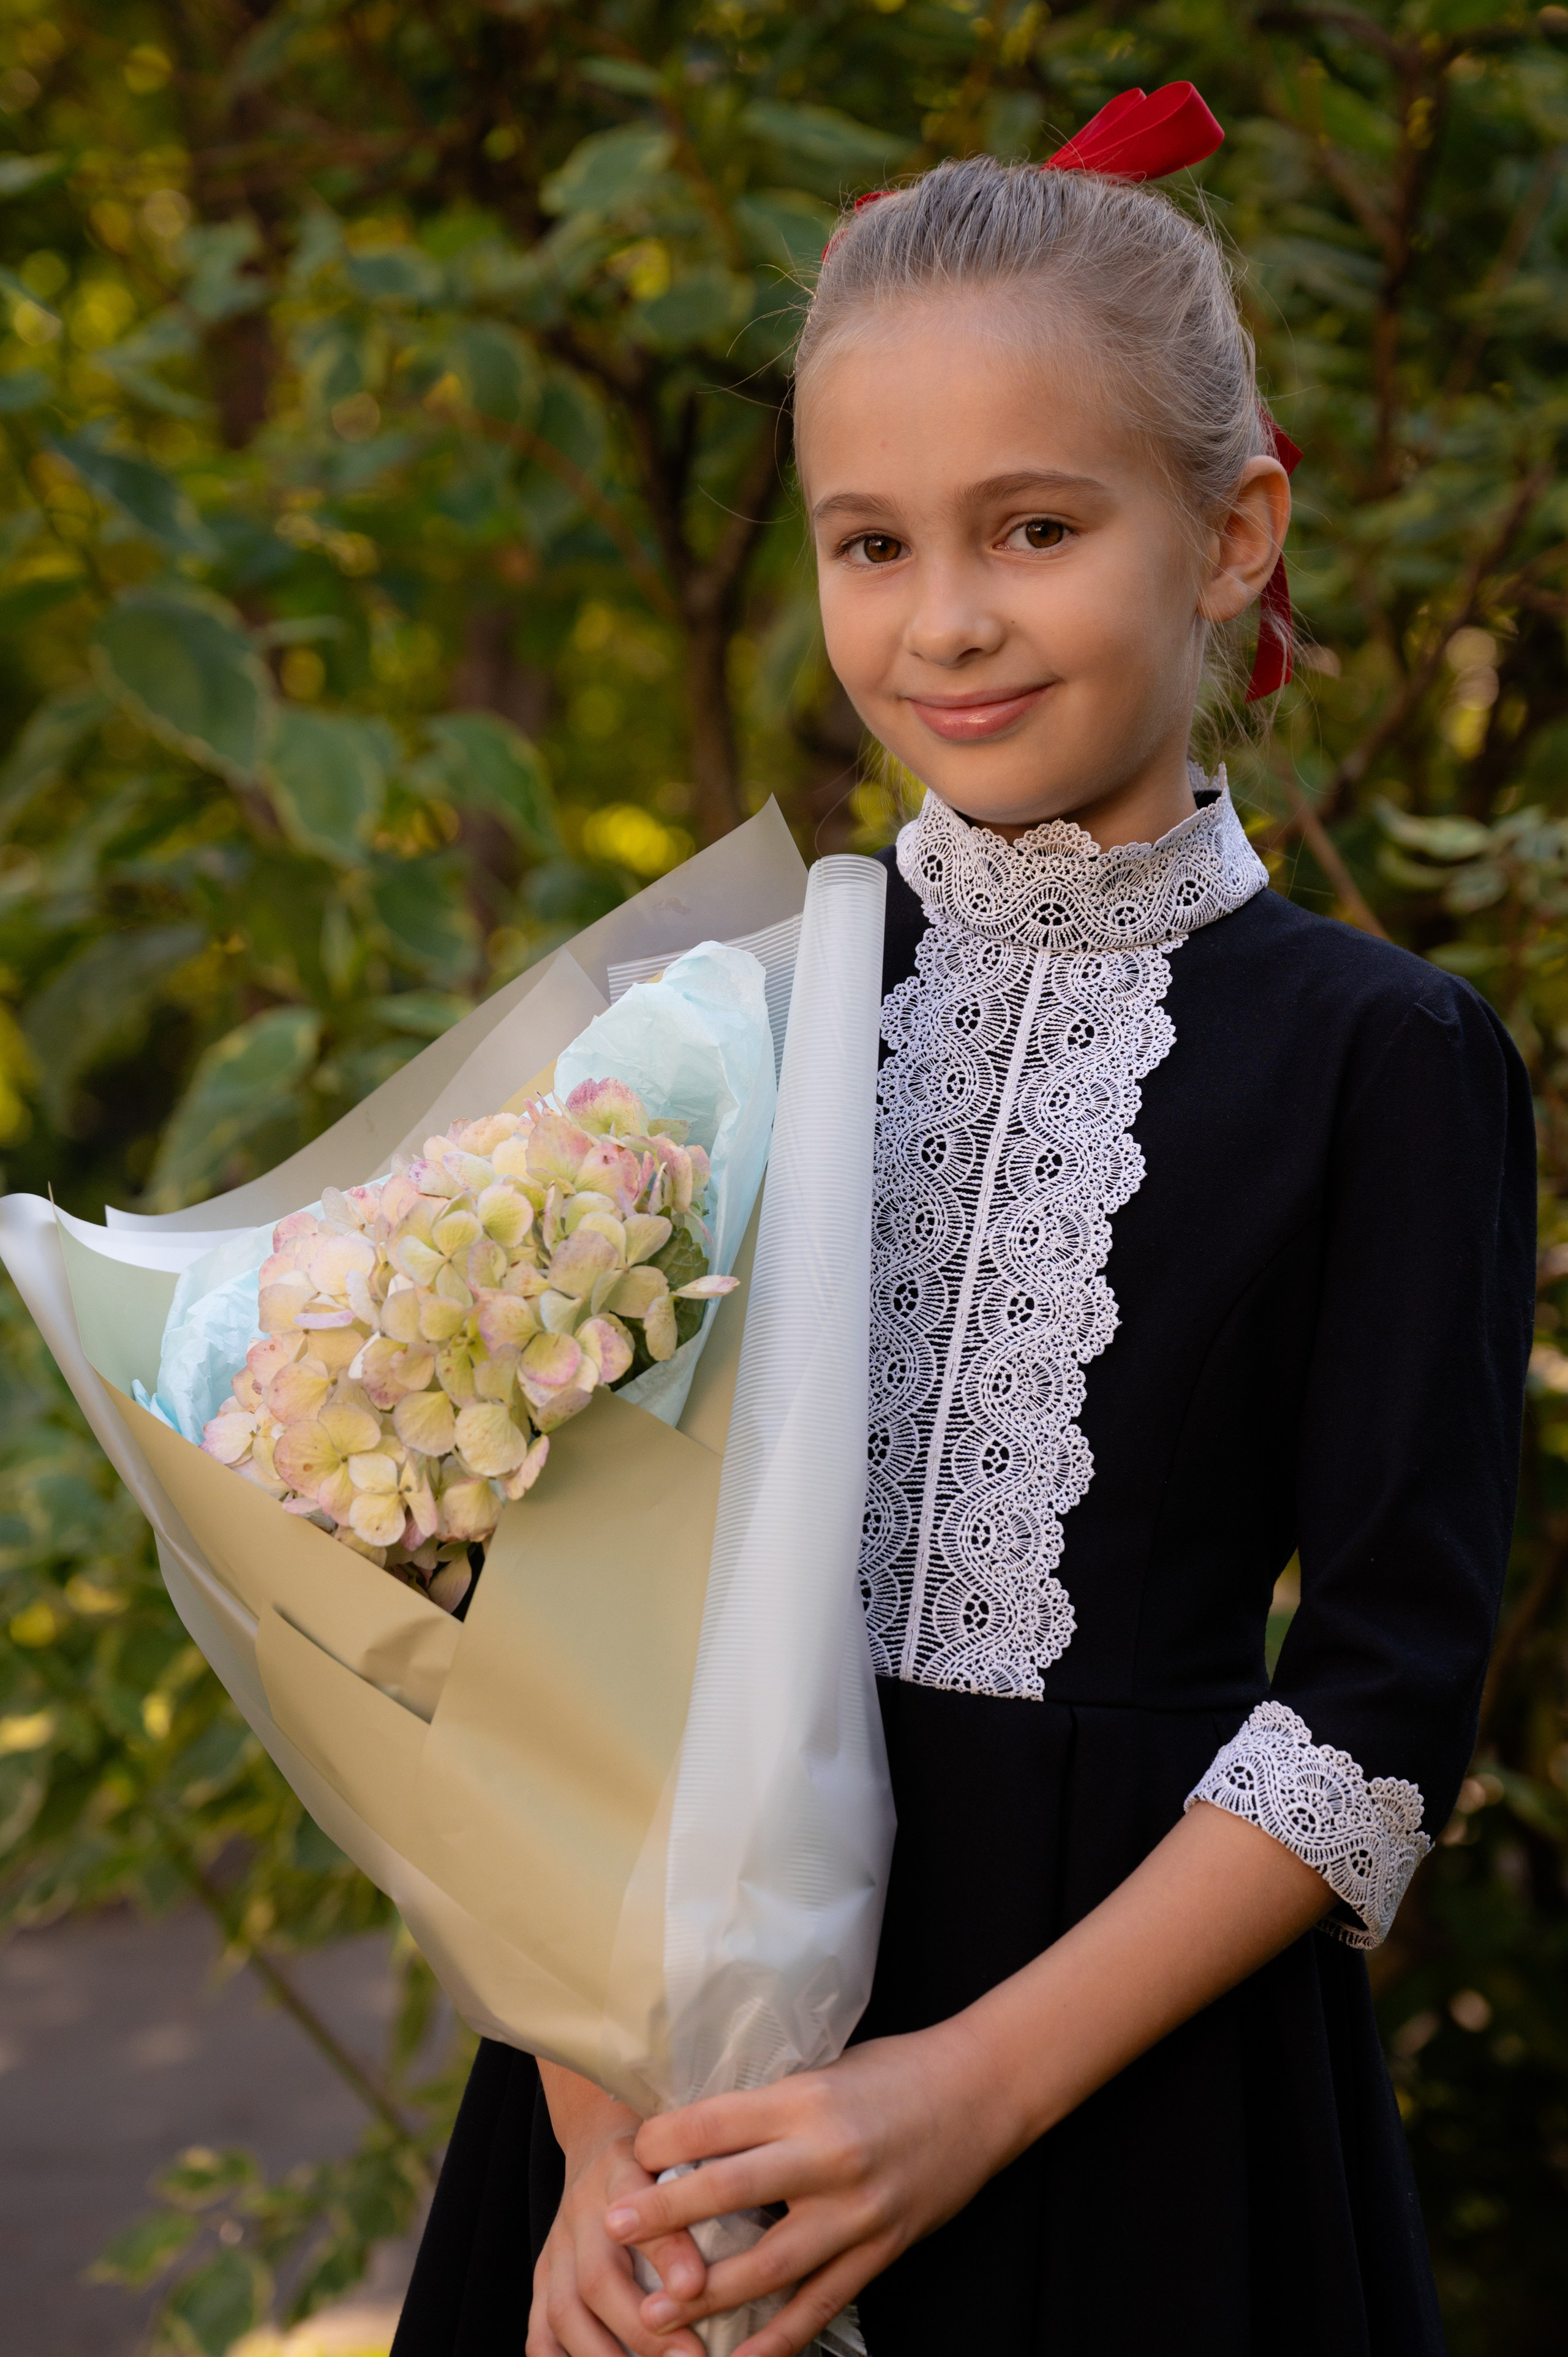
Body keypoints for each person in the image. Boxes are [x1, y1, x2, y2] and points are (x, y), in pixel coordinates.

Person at [391, 91, 1535, 2357]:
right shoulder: (709, 1023)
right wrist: (600, 2140)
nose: (945, 621)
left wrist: (964, 2097)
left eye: (1034, 526)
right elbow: (523, 1629)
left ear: (1233, 533)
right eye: (870, 542)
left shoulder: (1384, 1058)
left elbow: (1384, 1699)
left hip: (1123, 2098)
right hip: (650, 2101)